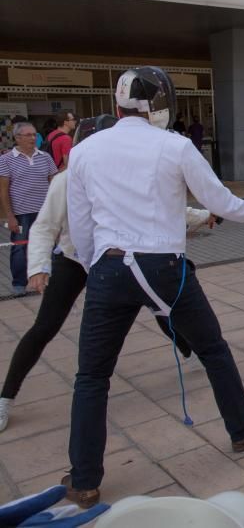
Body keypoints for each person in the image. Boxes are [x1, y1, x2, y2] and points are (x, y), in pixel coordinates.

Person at [65, 67, 244, 507]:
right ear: (159, 104)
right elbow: (219, 200)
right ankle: (241, 429)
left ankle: (84, 480)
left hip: (108, 268)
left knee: (91, 377)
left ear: (117, 104)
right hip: (164, 267)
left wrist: (97, 272)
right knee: (213, 349)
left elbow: (81, 226)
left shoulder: (84, 150)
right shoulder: (175, 145)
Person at [0, 115, 201, 434]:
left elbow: (166, 210)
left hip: (118, 261)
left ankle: (191, 352)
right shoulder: (65, 180)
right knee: (44, 327)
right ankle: (5, 398)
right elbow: (45, 226)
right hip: (74, 259)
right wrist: (39, 266)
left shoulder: (125, 174)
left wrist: (205, 217)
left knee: (162, 308)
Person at [0, 122, 57, 295]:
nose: (33, 138)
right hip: (21, 213)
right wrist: (10, 216)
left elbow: (54, 184)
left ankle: (52, 281)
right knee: (19, 247)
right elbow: (3, 191)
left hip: (45, 212)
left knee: (51, 246)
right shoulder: (6, 160)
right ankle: (19, 284)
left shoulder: (45, 157)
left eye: (34, 134)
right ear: (17, 138)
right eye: (28, 135)